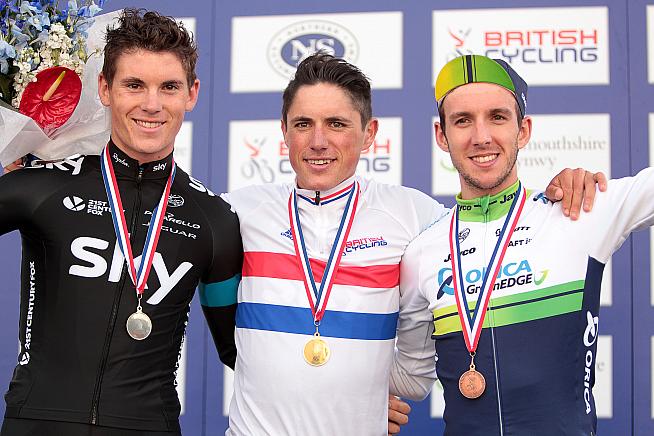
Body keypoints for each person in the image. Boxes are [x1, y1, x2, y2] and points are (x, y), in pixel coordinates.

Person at [221, 52, 603, 435]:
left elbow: (495, 237)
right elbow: (218, 321)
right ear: (284, 131)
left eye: (337, 124)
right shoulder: (237, 212)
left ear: (369, 133)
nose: (319, 141)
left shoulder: (417, 216)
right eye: (304, 124)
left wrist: (568, 185)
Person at [0, 9, 242, 436]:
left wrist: (355, 398)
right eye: (134, 85)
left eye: (169, 87)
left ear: (192, 93)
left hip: (149, 425)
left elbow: (240, 351)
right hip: (38, 423)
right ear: (105, 89)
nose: (152, 104)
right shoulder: (40, 187)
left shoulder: (213, 219)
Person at [397, 54, 653, 435]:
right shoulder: (422, 251)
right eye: (463, 120)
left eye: (497, 117)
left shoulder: (579, 208)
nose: (481, 136)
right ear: (441, 135)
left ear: (524, 130)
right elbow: (410, 376)